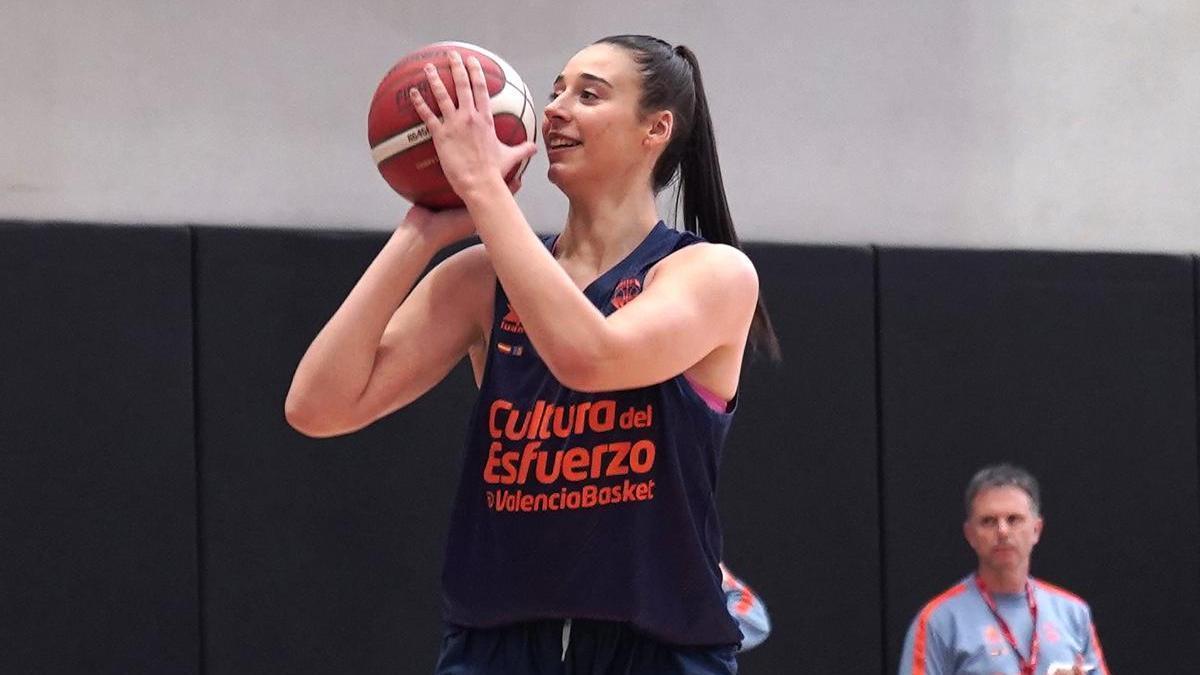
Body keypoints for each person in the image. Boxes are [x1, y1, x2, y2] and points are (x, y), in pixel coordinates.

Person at [285, 34, 778, 674]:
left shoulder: (711, 274)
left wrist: (485, 194)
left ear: (656, 127)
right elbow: (317, 407)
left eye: (588, 94)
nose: (555, 109)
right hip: (497, 644)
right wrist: (423, 229)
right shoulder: (482, 279)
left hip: (656, 649)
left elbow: (591, 358)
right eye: (554, 91)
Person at [898, 464, 1109, 675]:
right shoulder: (938, 621)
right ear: (970, 534)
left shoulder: (1074, 613)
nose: (1002, 531)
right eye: (988, 521)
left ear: (1036, 529)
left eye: (1013, 519)